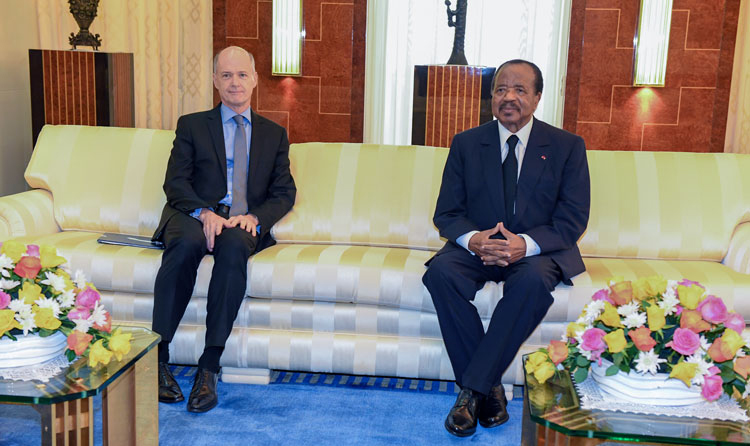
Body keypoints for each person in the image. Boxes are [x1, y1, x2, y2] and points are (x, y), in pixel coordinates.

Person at [422, 59, 590, 437]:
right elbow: (447, 212)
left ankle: (472, 391)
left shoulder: (566, 147)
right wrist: (474, 239)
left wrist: (524, 245)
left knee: (531, 284)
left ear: (537, 97)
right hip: (476, 248)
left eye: (519, 90)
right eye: (500, 90)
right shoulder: (467, 143)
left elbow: (573, 219)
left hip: (536, 253)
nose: (508, 97)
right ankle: (491, 390)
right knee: (441, 274)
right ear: (492, 98)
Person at [151, 46, 296, 413]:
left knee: (234, 248)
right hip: (193, 214)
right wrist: (203, 212)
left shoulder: (274, 134)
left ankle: (209, 366)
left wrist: (256, 217)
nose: (235, 82)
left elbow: (284, 192)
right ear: (215, 81)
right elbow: (176, 183)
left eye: (242, 75)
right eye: (226, 75)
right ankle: (157, 359)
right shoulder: (192, 125)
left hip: (242, 219)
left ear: (255, 80)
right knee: (184, 245)